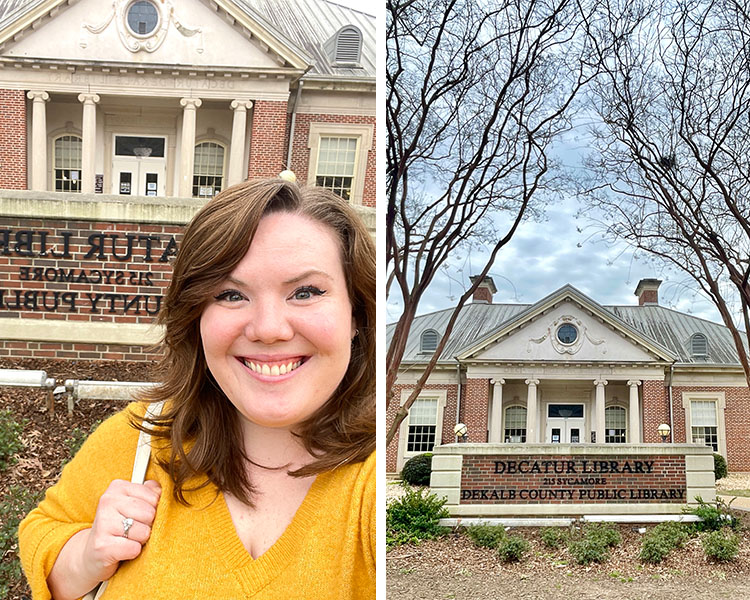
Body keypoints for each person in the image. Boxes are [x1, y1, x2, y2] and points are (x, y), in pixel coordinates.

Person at [19, 179, 376, 599]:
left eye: (305, 292)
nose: (267, 329)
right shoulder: (139, 438)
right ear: (195, 316)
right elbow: (44, 535)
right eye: (229, 294)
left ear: (356, 313)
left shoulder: (371, 489)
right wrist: (86, 556)